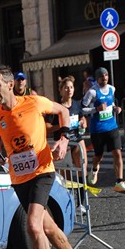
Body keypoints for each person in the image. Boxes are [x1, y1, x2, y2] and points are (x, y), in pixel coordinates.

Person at [0, 65, 90, 249]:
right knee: (49, 228)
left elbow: (63, 112)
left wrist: (63, 140)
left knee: (32, 224)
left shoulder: (34, 103)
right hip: (18, 178)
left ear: (10, 85)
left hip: (42, 171)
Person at [82, 67, 125, 194]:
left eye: (106, 75)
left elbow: (111, 104)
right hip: (97, 129)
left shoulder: (112, 89)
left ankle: (119, 182)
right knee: (99, 156)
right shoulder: (92, 92)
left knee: (117, 153)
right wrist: (96, 109)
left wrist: (116, 108)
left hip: (111, 127)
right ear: (97, 78)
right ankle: (95, 169)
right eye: (102, 76)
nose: (105, 78)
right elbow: (83, 109)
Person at [45, 76, 88, 210]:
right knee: (66, 176)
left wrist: (83, 123)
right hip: (63, 142)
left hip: (77, 139)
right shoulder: (55, 107)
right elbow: (46, 127)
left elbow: (82, 118)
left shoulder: (76, 104)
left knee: (82, 169)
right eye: (66, 87)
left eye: (71, 87)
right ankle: (68, 203)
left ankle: (82, 201)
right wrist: (62, 125)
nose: (69, 90)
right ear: (60, 91)